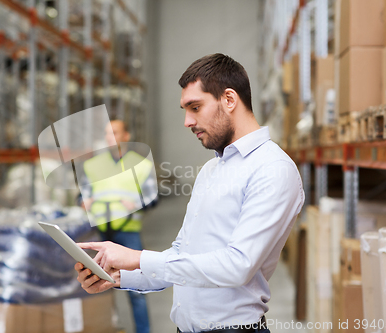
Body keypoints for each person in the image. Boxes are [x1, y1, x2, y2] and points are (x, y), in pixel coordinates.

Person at [75, 54, 305, 333]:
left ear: (229, 100)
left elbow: (238, 265)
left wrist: (136, 257)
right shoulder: (211, 170)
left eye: (195, 107)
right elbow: (182, 255)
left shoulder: (273, 169)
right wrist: (119, 277)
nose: (187, 121)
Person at [79, 119, 157, 333]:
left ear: (126, 136)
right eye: (106, 133)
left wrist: (137, 203)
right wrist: (83, 201)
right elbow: (82, 194)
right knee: (97, 286)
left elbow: (152, 197)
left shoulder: (141, 165)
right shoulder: (92, 165)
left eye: (114, 133)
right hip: (100, 232)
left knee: (137, 288)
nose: (109, 138)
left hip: (128, 232)